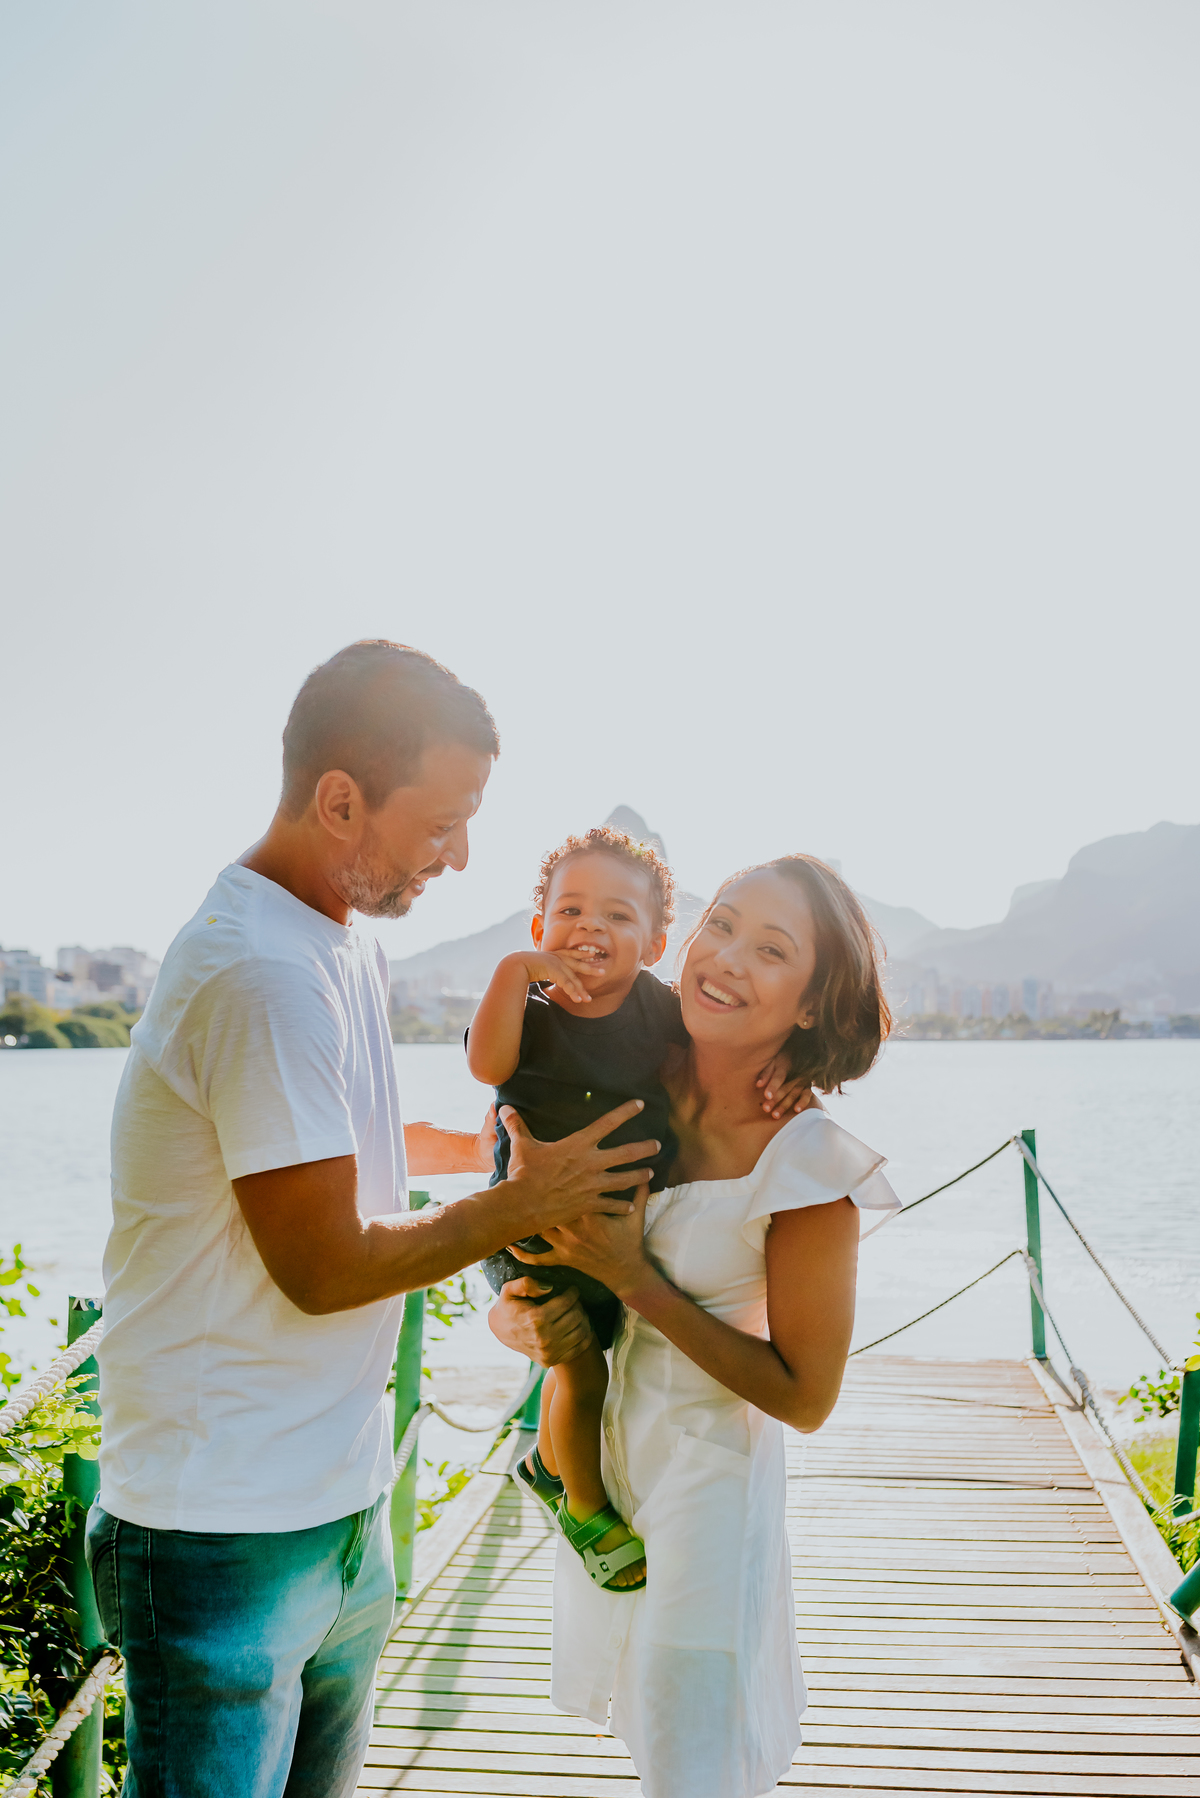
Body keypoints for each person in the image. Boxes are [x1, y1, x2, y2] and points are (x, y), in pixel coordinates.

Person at [88, 641, 661, 1798]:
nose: (462, 856)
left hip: (341, 1504)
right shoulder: (258, 970)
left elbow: (325, 1144)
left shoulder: (335, 938)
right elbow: (321, 1262)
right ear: (341, 800)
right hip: (224, 1532)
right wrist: (522, 1201)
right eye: (443, 823)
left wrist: (487, 1157)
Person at [490, 853, 899, 1798]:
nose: (727, 958)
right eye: (721, 924)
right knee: (649, 1743)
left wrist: (631, 1278)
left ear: (811, 1005)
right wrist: (519, 1316)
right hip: (605, 1477)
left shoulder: (809, 1165)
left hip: (709, 1492)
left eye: (772, 950)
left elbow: (807, 1397)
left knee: (693, 1765)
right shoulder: (622, 1074)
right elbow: (509, 1180)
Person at [469, 826, 807, 1594]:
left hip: (620, 1232)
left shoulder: (661, 1012)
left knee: (603, 1357)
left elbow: (724, 1049)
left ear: (655, 944)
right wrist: (511, 973)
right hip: (533, 1234)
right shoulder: (527, 1011)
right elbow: (487, 1065)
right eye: (570, 911)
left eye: (618, 916)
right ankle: (583, 1506)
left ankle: (549, 1463)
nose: (589, 926)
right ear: (539, 927)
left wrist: (785, 1066)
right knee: (581, 1368)